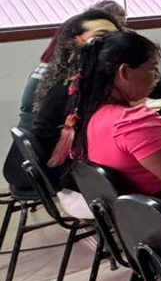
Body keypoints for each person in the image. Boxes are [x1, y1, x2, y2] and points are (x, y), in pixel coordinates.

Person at [5, 10, 121, 193]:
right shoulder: (71, 84)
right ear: (75, 42)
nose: (113, 42)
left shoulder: (75, 76)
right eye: (101, 37)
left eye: (117, 36)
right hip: (56, 172)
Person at [70, 31, 161, 206]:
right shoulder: (132, 122)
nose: (156, 77)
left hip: (140, 220)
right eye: (152, 69)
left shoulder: (89, 115)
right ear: (125, 72)